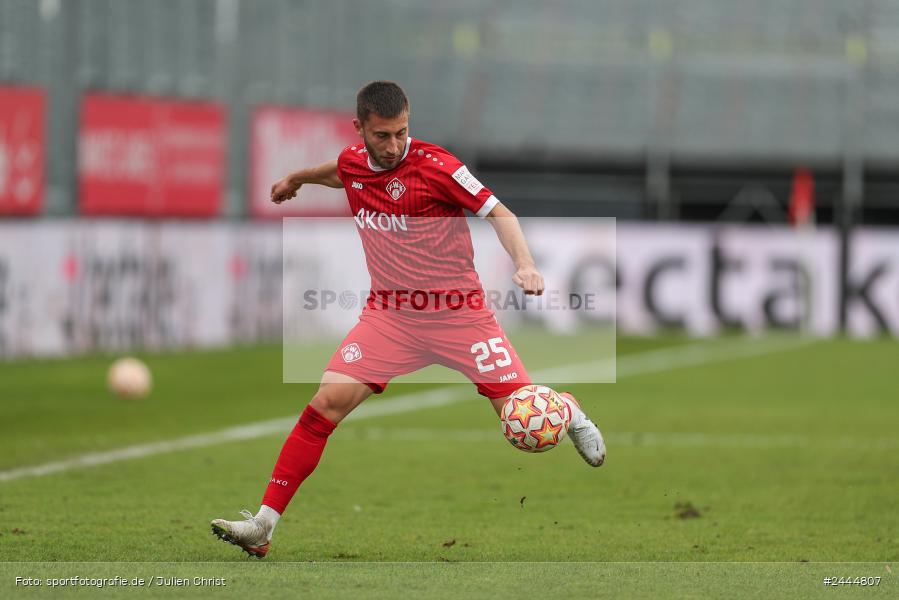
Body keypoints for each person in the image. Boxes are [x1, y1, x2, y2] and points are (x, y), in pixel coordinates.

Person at [211, 81, 605, 558]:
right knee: (325, 404)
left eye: (402, 132)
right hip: (391, 316)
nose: (395, 145)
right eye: (383, 136)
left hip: (460, 315)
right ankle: (263, 525)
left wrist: (525, 263)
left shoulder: (437, 166)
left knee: (520, 421)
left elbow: (500, 212)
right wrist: (297, 178)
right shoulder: (354, 160)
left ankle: (568, 407)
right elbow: (339, 171)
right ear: (360, 129)